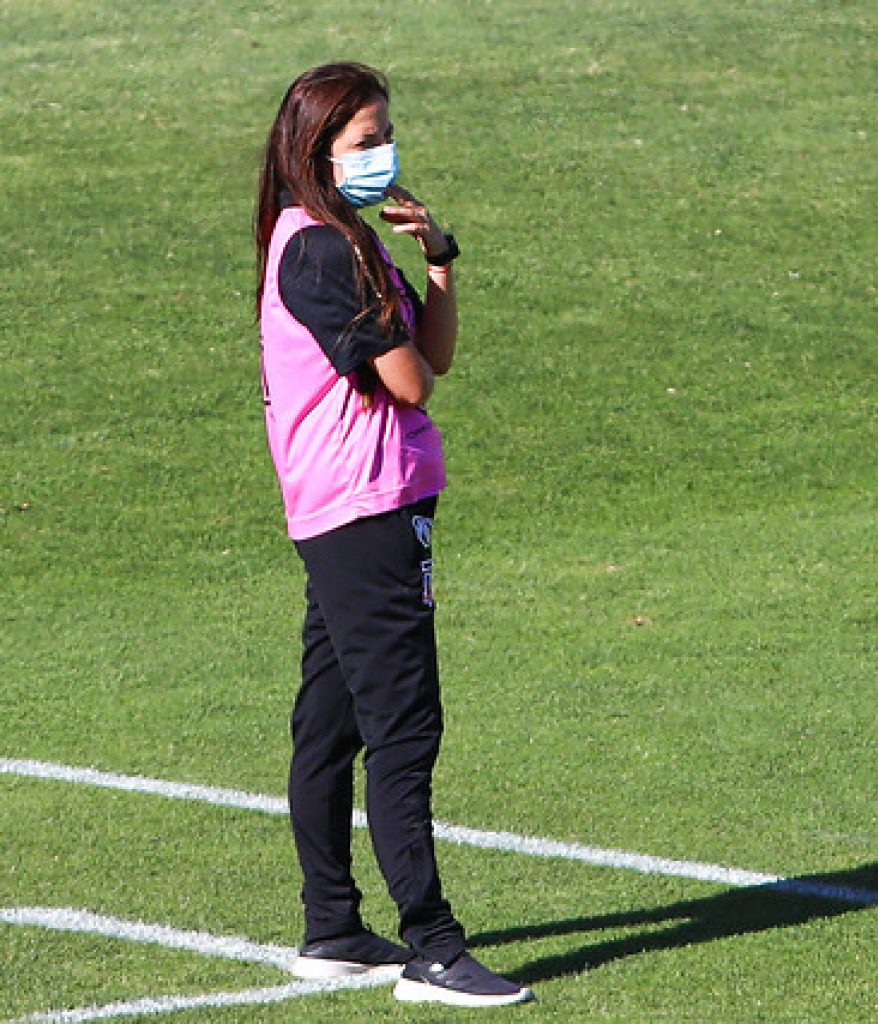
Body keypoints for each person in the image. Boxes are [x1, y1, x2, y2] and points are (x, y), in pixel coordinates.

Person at [254, 62, 533, 1008]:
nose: (385, 154)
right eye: (367, 141)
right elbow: (409, 383)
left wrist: (440, 264)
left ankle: (332, 928)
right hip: (363, 511)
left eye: (386, 135)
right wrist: (398, 300)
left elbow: (436, 354)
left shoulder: (349, 241)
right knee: (404, 726)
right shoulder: (323, 255)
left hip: (358, 509)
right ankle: (433, 947)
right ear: (317, 152)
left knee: (330, 722)